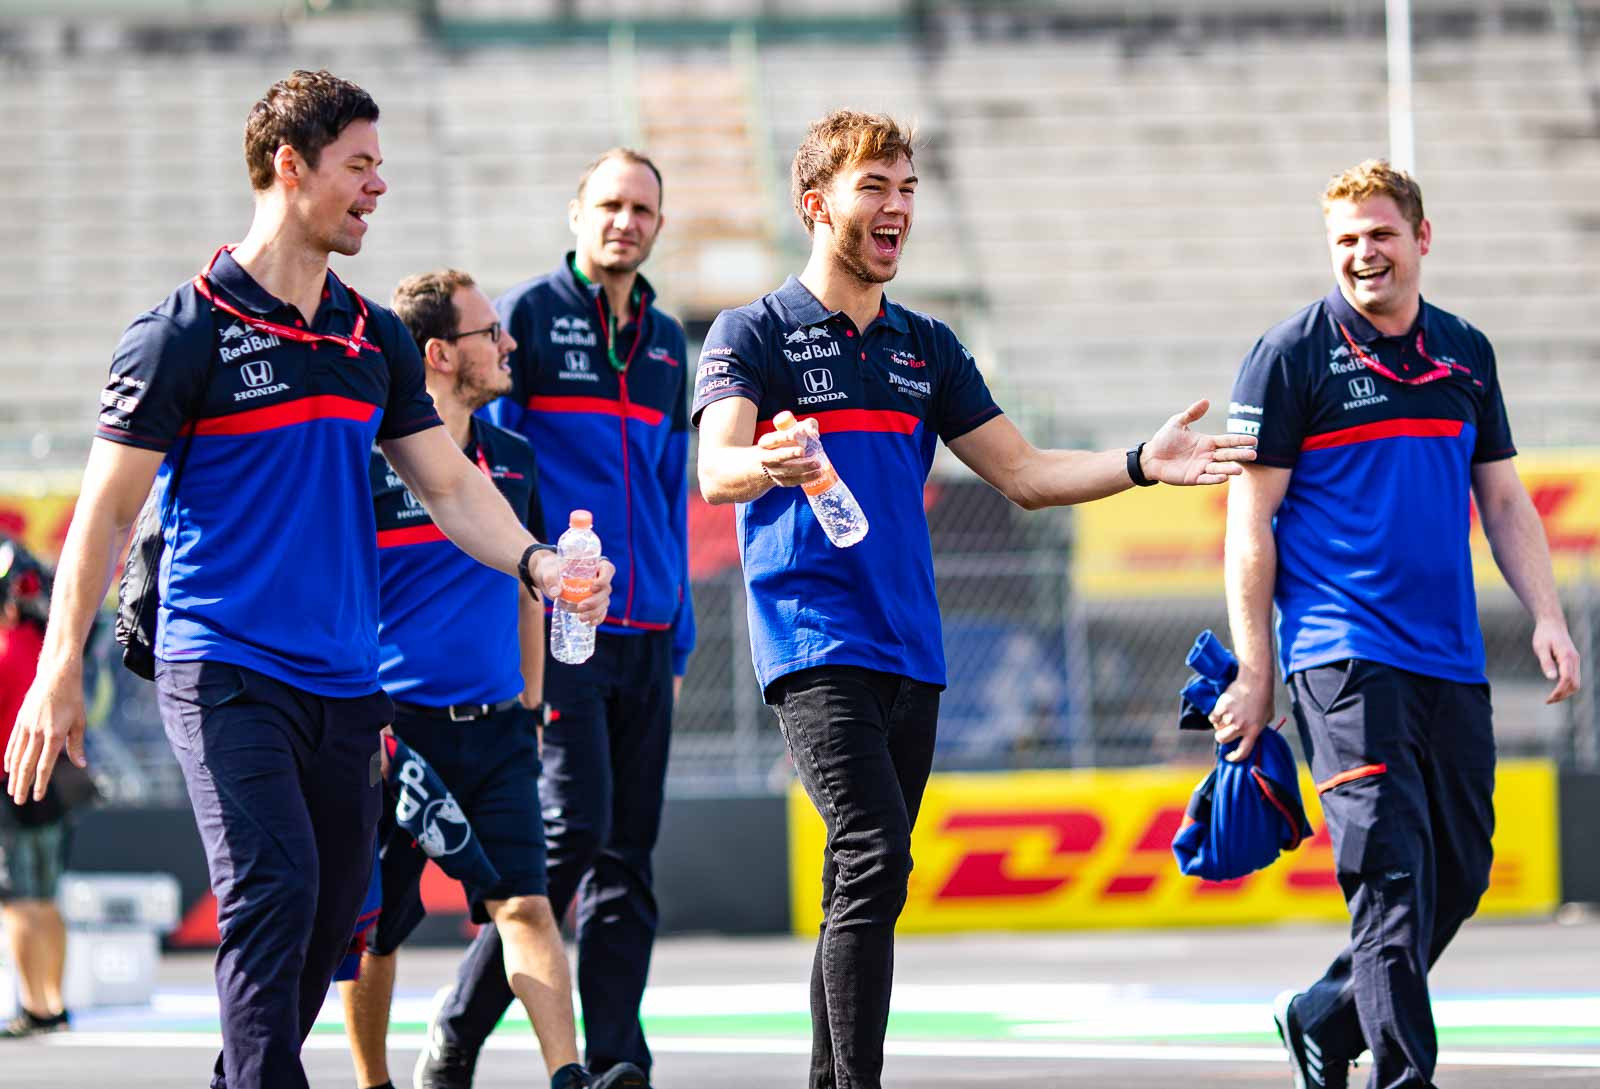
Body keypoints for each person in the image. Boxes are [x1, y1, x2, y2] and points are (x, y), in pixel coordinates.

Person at [2, 70, 612, 1089]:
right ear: (291, 167)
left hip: (345, 682)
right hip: (223, 666)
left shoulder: (370, 336)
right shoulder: (181, 331)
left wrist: (541, 564)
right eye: (359, 165)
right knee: (274, 895)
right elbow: (106, 511)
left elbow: (453, 486)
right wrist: (57, 668)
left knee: (334, 919)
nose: (378, 188)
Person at [691, 109, 1256, 1089]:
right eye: (876, 187)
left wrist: (1140, 463)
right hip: (812, 640)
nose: (898, 207)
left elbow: (1027, 474)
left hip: (913, 647)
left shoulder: (925, 347)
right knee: (873, 856)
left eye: (908, 189)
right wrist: (766, 460)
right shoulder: (757, 330)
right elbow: (714, 469)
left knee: (856, 883)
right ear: (815, 204)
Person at [1211, 159, 1582, 1089]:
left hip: (1449, 659)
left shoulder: (1466, 353)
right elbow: (1249, 522)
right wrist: (1256, 669)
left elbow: (1501, 498)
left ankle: (1325, 1017)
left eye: (1378, 234)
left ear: (1422, 237)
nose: (1362, 254)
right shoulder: (1289, 355)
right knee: (1390, 876)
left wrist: (1548, 614)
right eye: (1343, 240)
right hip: (1339, 657)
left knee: (1457, 870)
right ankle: (1402, 1077)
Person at [418, 149, 692, 1089]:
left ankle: (619, 1057)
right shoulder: (527, 318)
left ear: (659, 223)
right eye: (610, 205)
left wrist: (681, 629)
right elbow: (490, 473)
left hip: (650, 632)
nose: (626, 221)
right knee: (573, 833)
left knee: (631, 859)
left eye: (642, 209)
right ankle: (457, 1029)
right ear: (577, 212)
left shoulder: (668, 339)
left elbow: (667, 492)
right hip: (562, 622)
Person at [339, 268, 644, 1089]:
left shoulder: (510, 456)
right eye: (489, 334)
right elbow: (337, 604)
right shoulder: (368, 463)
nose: (509, 344)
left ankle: (568, 1078)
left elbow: (526, 587)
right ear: (438, 353)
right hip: (394, 732)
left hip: (500, 726)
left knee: (528, 905)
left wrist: (534, 703)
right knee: (377, 932)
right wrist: (365, 722)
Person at [0, 538, 71, 1039]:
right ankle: (55, 1003)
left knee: (17, 901)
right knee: (45, 899)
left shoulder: (6, 646)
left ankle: (35, 1008)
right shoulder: (44, 641)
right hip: (49, 782)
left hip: (9, 784)